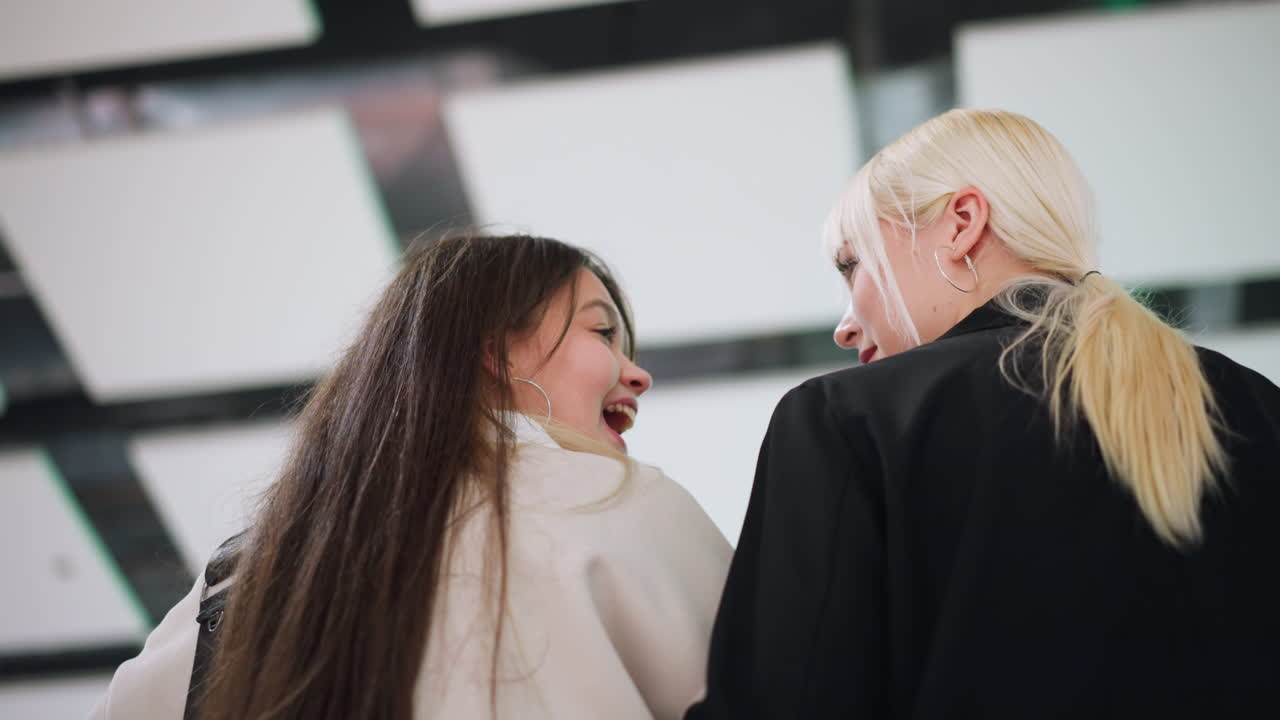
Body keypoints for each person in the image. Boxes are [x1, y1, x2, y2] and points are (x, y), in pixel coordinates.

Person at [686, 109, 1280, 719]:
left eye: (852, 265)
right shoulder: (1258, 407)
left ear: (963, 224)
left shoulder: (850, 419)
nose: (845, 325)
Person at [92, 233, 731, 719]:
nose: (636, 373)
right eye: (601, 331)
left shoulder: (248, 572)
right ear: (496, 352)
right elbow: (771, 680)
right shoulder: (614, 501)